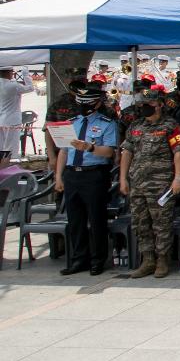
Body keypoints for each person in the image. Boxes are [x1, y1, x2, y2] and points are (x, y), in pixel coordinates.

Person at [118, 88, 180, 279]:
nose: (145, 108)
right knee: (140, 223)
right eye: (142, 105)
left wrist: (178, 177)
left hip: (161, 183)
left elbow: (179, 152)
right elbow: (127, 152)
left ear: (160, 105)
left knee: (161, 224)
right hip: (138, 183)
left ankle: (162, 260)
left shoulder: (170, 125)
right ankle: (147, 260)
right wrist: (123, 178)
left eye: (149, 104)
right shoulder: (135, 126)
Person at [52, 85, 118, 276]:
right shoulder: (72, 122)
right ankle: (79, 259)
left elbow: (109, 152)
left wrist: (89, 147)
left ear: (97, 103)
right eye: (80, 103)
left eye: (87, 103)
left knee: (96, 218)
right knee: (75, 220)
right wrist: (58, 177)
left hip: (94, 174)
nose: (83, 107)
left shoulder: (107, 123)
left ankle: (98, 260)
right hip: (73, 173)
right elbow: (64, 151)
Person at [0, 66, 34, 163]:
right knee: (11, 148)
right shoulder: (13, 85)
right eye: (12, 72)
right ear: (8, 73)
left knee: (2, 147)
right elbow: (31, 88)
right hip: (12, 120)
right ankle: (10, 170)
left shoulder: (11, 84)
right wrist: (26, 75)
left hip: (1, 120)